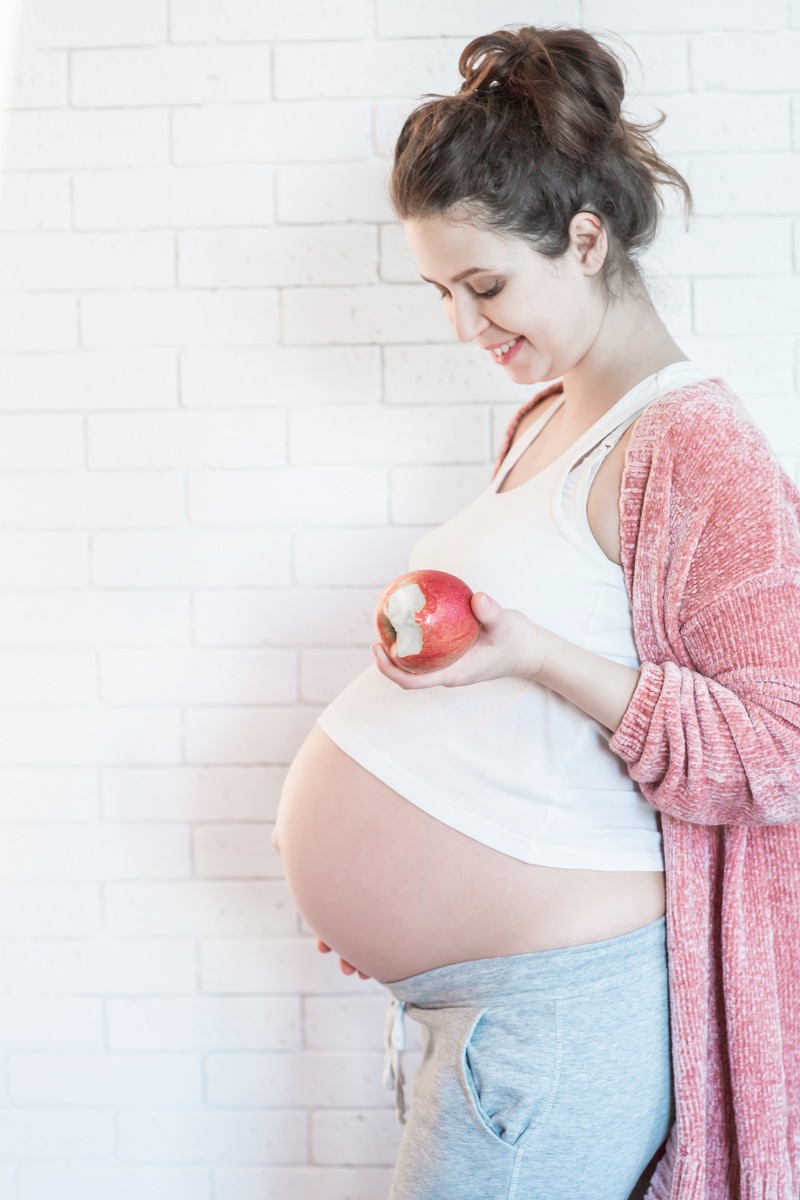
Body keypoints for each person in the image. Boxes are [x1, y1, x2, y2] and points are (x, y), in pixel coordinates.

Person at [273, 25, 800, 1200]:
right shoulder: (542, 423)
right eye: (441, 293)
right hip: (478, 1004)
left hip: (558, 1019)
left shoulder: (697, 446)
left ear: (584, 237)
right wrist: (395, 886)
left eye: (485, 285)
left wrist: (531, 652)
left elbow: (780, 746)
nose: (466, 327)